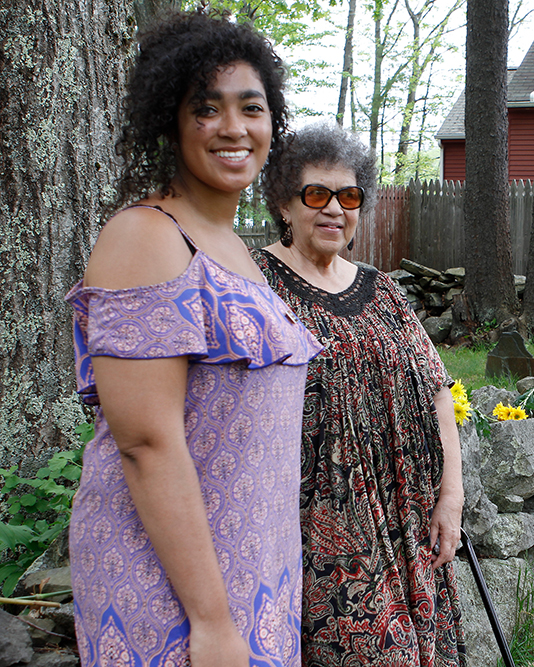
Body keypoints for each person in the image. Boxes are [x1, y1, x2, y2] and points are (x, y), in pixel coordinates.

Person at [65, 10, 322, 667]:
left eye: (251, 107)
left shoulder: (235, 248)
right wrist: (210, 620)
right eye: (206, 108)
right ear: (171, 123)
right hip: (173, 595)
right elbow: (147, 444)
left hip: (252, 578)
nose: (234, 128)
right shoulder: (146, 238)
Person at [252, 123, 466, 667]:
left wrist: (451, 497)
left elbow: (439, 392)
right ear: (282, 201)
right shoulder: (255, 284)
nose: (333, 210)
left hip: (406, 514)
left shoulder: (383, 288)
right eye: (316, 194)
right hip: (319, 527)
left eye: (348, 196)